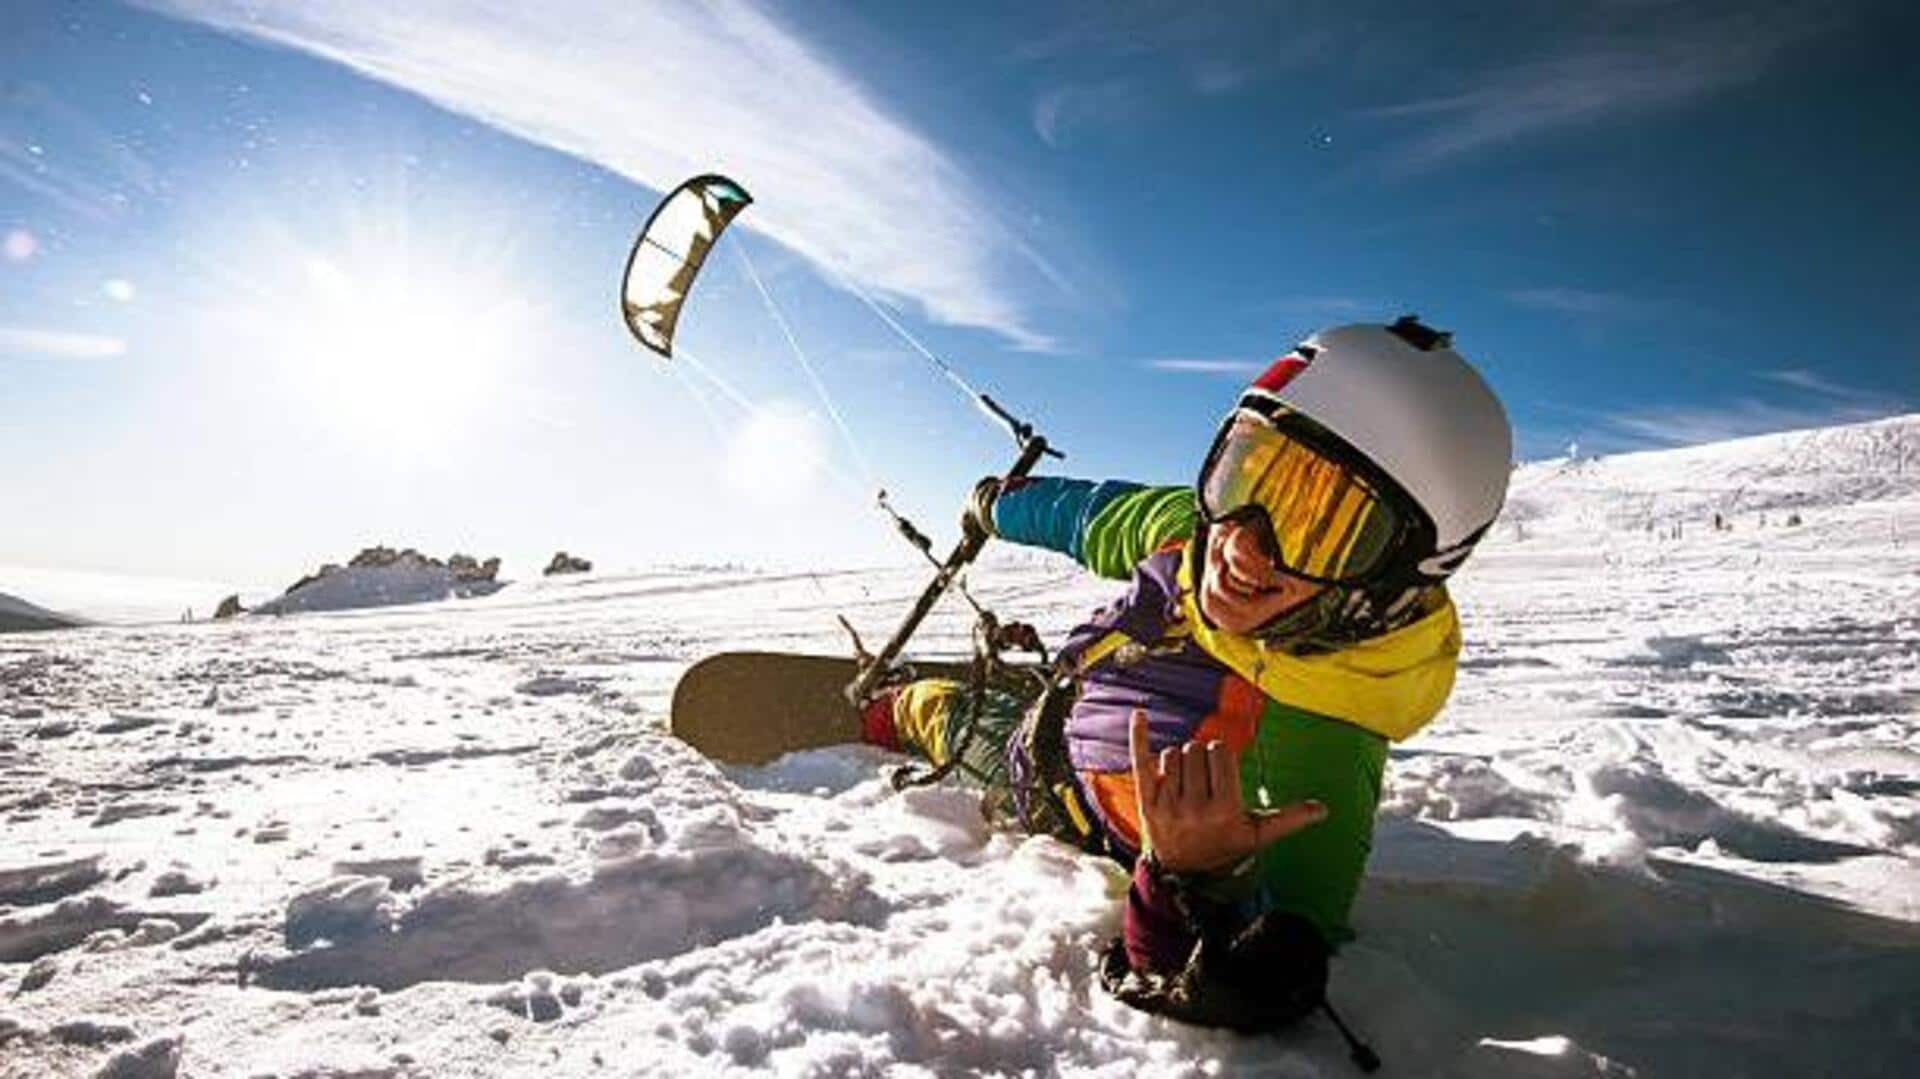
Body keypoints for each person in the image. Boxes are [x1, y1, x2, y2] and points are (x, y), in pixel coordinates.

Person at [856, 316, 1511, 1057]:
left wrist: (1193, 875)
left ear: (1388, 581)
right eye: (1251, 475)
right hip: (1079, 691)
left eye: (1320, 526)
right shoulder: (1186, 535)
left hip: (1049, 787)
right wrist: (1001, 503)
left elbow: (1268, 957)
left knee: (953, 721)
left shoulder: (1322, 734)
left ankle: (897, 708)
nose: (1244, 544)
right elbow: (1089, 513)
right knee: (1040, 687)